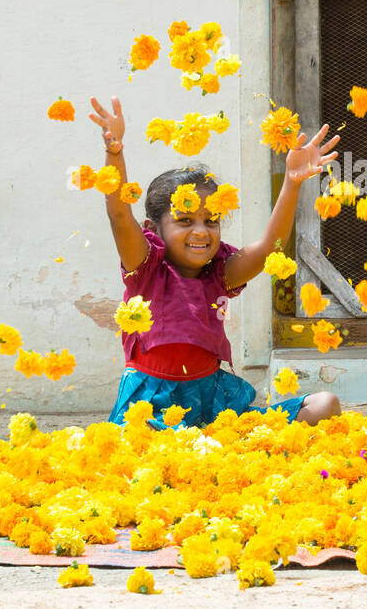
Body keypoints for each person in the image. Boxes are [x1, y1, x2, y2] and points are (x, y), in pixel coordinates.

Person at [87, 95, 342, 430]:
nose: (201, 232)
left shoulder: (221, 273)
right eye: (185, 220)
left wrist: (292, 183)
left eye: (211, 221)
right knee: (175, 448)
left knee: (326, 404)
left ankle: (208, 446)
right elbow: (119, 213)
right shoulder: (146, 268)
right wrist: (114, 152)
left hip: (213, 403)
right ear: (154, 230)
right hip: (152, 410)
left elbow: (271, 248)